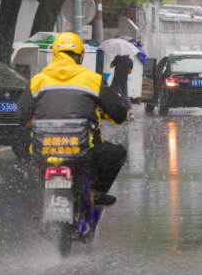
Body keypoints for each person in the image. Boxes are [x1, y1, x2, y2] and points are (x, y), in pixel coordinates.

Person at [18, 32, 128, 206]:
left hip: (44, 153)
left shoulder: (36, 81)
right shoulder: (92, 80)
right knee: (118, 153)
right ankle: (95, 191)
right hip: (83, 154)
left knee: (29, 160)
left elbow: (21, 118)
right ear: (80, 56)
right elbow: (119, 114)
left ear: (54, 55)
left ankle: (36, 203)